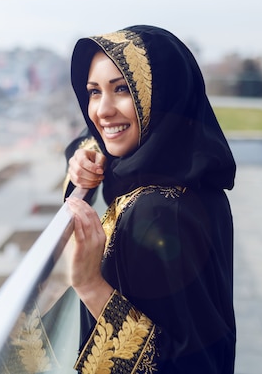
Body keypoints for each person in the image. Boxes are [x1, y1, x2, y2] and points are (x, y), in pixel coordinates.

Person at [63, 25, 236, 373]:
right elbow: (92, 133)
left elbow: (192, 364)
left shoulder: (158, 213)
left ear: (162, 98)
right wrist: (85, 154)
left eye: (123, 89)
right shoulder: (189, 172)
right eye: (94, 92)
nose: (102, 110)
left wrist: (90, 284)